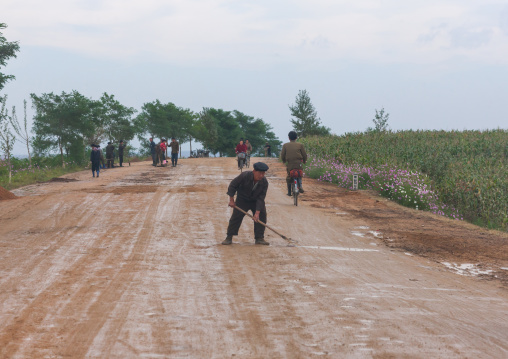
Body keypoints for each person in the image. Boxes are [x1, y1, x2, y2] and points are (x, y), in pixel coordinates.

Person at [222, 162, 270, 245]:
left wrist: (257, 212)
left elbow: (261, 198)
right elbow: (233, 186)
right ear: (254, 171)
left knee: (261, 216)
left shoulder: (264, 182)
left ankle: (259, 238)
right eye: (260, 173)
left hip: (255, 201)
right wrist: (231, 200)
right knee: (236, 217)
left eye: (263, 173)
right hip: (242, 200)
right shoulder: (244, 176)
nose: (261, 176)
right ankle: (229, 237)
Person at [280, 131, 307, 195]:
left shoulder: (285, 145)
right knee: (299, 174)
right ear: (296, 138)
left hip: (290, 163)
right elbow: (304, 154)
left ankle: (289, 192)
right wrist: (304, 161)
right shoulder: (300, 145)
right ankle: (300, 186)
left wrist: (284, 161)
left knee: (289, 176)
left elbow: (282, 154)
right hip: (298, 163)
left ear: (289, 138)